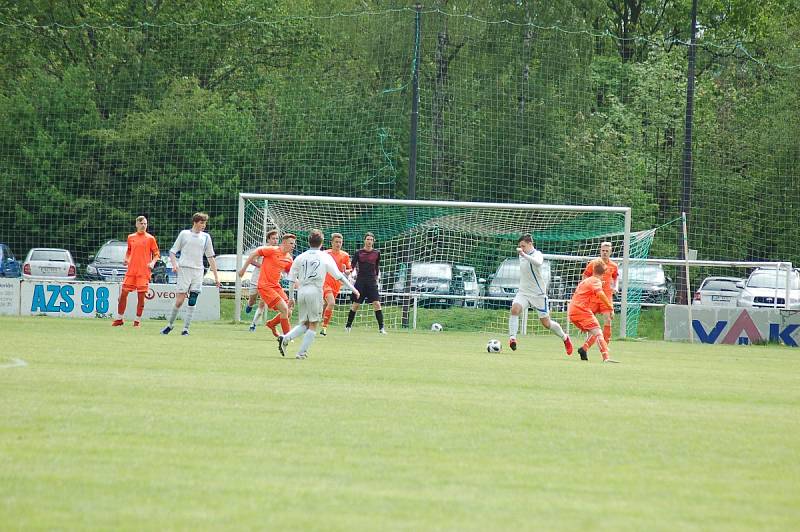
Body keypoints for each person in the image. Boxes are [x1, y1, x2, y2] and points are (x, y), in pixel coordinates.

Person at [278, 230, 359, 359]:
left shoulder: (300, 257)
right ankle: (301, 353)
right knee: (313, 324)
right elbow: (339, 276)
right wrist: (354, 289)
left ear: (309, 242)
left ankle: (285, 339)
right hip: (315, 291)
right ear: (321, 243)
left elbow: (291, 279)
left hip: (302, 292)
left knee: (305, 324)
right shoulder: (325, 257)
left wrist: (291, 297)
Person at [508, 233, 573, 355]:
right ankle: (512, 338)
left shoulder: (537, 254)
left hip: (538, 294)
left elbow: (538, 263)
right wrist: (523, 254)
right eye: (520, 246)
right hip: (523, 292)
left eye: (523, 246)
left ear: (530, 244)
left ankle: (565, 338)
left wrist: (523, 254)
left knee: (546, 324)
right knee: (514, 309)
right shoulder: (522, 254)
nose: (521, 248)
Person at [161, 212, 220, 336]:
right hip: (184, 269)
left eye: (205, 223)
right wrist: (175, 265)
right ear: (195, 222)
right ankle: (170, 325)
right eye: (201, 223)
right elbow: (172, 252)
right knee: (180, 301)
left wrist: (216, 277)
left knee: (193, 298)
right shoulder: (184, 234)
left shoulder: (206, 237)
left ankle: (185, 329)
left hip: (198, 271)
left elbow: (210, 257)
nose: (204, 225)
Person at [239, 233, 296, 338]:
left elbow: (292, 275)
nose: (293, 245)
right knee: (283, 308)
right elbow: (253, 254)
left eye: (294, 244)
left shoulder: (289, 258)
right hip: (264, 286)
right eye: (291, 243)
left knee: (288, 311)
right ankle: (287, 337)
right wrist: (243, 269)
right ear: (284, 243)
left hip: (275, 286)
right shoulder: (272, 250)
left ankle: (271, 324)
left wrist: (300, 285)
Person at [112, 216, 160, 328]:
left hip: (143, 272)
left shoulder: (150, 238)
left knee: (141, 297)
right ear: (137, 224)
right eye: (142, 223)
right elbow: (129, 251)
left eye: (145, 223)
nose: (144, 225)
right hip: (131, 271)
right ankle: (119, 319)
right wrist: (126, 259)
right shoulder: (131, 237)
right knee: (123, 294)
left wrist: (152, 262)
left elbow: (157, 253)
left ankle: (137, 321)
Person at [569, 260, 618, 362]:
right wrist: (610, 307)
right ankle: (606, 357)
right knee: (598, 332)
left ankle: (584, 349)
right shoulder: (596, 281)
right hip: (581, 310)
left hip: (572, 311)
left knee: (593, 331)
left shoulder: (587, 280)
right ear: (604, 273)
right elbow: (601, 294)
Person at [344, 232, 386, 334]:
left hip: (371, 282)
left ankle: (381, 328)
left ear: (373, 241)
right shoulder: (358, 252)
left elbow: (376, 267)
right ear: (364, 240)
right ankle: (348, 326)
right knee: (355, 305)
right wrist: (348, 271)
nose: (369, 241)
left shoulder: (377, 253)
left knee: (377, 304)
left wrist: (376, 278)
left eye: (371, 239)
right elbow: (352, 266)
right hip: (360, 282)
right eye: (367, 239)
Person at [582, 241, 618, 344]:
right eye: (603, 250)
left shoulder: (613, 265)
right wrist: (586, 287)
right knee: (590, 320)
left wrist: (615, 286)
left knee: (608, 319)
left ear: (610, 252)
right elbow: (585, 275)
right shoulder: (594, 263)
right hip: (593, 296)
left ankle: (606, 344)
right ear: (600, 251)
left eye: (607, 251)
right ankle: (587, 342)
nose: (604, 253)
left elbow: (616, 277)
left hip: (606, 296)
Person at [245, 229, 280, 332]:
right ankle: (250, 304)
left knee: (263, 303)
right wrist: (263, 266)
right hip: (257, 278)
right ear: (268, 239)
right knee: (252, 300)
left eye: (277, 238)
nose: (275, 240)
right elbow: (251, 260)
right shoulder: (262, 250)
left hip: (268, 281)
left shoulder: (279, 251)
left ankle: (253, 324)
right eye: (273, 238)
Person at [320, 232, 352, 336]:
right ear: (332, 243)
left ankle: (319, 322)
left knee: (326, 304)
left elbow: (349, 269)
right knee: (332, 303)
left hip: (336, 284)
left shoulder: (345, 255)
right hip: (325, 282)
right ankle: (324, 328)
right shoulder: (325, 254)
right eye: (336, 242)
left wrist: (346, 271)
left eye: (340, 242)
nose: (338, 244)